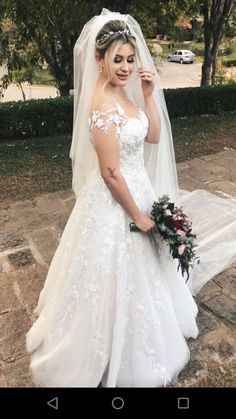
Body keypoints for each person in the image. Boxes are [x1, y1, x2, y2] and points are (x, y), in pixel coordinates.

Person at [26, 8, 236, 387]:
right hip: (118, 202)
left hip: (138, 187)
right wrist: (138, 215)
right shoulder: (102, 106)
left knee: (148, 273)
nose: (124, 66)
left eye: (129, 58)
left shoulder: (125, 95)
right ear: (99, 59)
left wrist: (150, 95)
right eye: (116, 59)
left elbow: (152, 135)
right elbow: (109, 173)